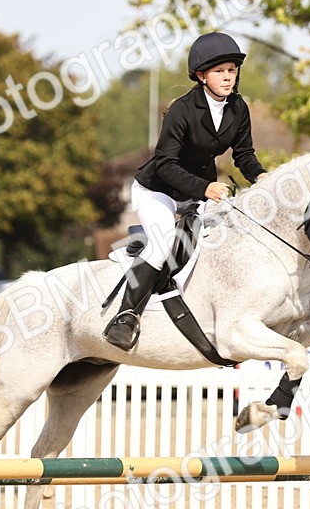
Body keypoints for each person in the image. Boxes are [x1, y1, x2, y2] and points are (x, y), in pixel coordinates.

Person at [104, 31, 269, 350]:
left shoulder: (237, 108)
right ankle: (126, 317)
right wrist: (205, 187)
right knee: (164, 240)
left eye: (232, 70)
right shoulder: (182, 109)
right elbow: (165, 163)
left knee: (229, 236)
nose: (228, 77)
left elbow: (244, 155)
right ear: (201, 75)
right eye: (220, 71)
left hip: (199, 191)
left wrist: (262, 178)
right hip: (159, 188)